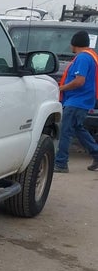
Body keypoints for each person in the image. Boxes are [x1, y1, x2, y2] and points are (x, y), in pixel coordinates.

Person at [54, 30, 98, 173]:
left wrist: (61, 88)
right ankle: (96, 154)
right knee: (78, 128)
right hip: (81, 100)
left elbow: (79, 81)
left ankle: (61, 163)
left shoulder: (83, 58)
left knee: (66, 131)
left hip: (76, 101)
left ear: (75, 43)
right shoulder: (90, 56)